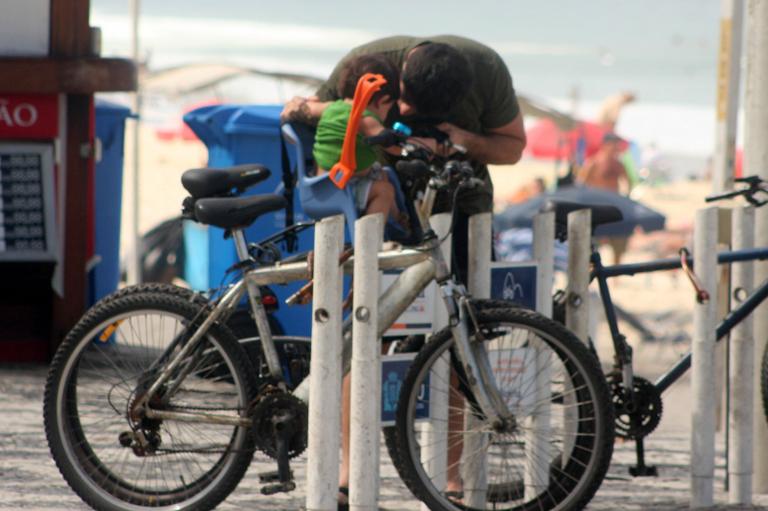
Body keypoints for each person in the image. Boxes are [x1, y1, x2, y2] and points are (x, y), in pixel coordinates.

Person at [281, 35, 526, 506]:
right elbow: (319, 118)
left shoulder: (487, 70)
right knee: (362, 331)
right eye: (402, 103)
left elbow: (512, 147)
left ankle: (451, 479)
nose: (405, 111)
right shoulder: (369, 64)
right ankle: (350, 474)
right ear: (400, 78)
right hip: (376, 209)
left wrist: (461, 141)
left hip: (459, 209)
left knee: (459, 339)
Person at [311, 53, 408, 226]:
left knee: (380, 171)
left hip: (320, 187)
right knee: (385, 191)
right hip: (343, 188)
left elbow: (310, 108)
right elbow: (393, 147)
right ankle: (371, 239)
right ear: (383, 101)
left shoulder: (330, 108)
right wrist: (403, 143)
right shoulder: (365, 118)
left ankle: (396, 219)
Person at [577, 132, 632, 263]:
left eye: (618, 145)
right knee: (591, 245)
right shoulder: (593, 163)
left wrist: (625, 199)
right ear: (606, 145)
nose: (617, 148)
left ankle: (616, 275)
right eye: (615, 144)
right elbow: (580, 184)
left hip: (614, 207)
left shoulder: (619, 164)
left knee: (619, 242)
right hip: (596, 208)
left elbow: (628, 183)